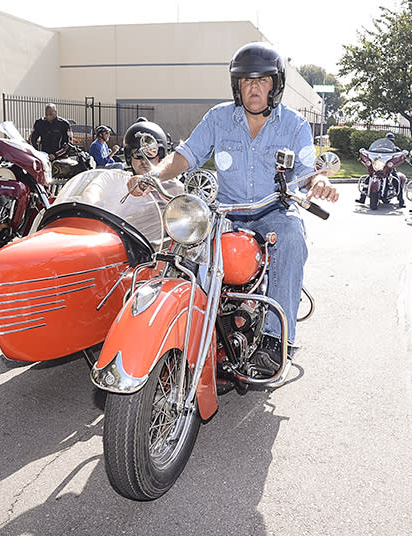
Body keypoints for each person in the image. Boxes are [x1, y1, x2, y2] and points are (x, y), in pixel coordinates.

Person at [129, 41, 338, 371]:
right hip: (226, 212)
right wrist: (153, 173)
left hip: (273, 211)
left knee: (293, 237)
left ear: (276, 85)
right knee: (186, 245)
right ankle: (186, 323)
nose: (254, 88)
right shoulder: (218, 118)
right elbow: (186, 155)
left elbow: (306, 169)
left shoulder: (294, 125)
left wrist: (318, 182)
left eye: (262, 80)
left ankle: (276, 339)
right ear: (237, 86)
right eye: (246, 80)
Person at [123, 117, 184, 243]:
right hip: (119, 245)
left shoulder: (175, 188)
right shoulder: (119, 182)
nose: (144, 161)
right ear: (129, 157)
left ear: (160, 156)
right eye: (138, 155)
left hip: (154, 252)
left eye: (150, 155)